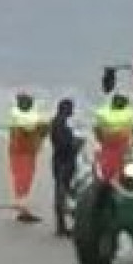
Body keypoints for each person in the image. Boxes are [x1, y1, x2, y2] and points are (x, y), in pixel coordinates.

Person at [6, 93, 50, 224]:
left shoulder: (24, 118)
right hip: (22, 152)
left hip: (26, 152)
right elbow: (27, 131)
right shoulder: (18, 119)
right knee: (23, 177)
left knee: (25, 177)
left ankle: (21, 203)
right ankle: (22, 206)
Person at [91, 77, 133, 184]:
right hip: (120, 156)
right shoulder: (130, 115)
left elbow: (97, 132)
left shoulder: (104, 115)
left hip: (114, 157)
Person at [49, 97, 84, 238]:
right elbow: (63, 145)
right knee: (62, 193)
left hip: (62, 162)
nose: (72, 111)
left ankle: (63, 225)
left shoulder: (59, 123)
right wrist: (76, 144)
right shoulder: (59, 124)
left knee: (65, 192)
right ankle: (61, 227)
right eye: (71, 108)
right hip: (63, 163)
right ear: (65, 109)